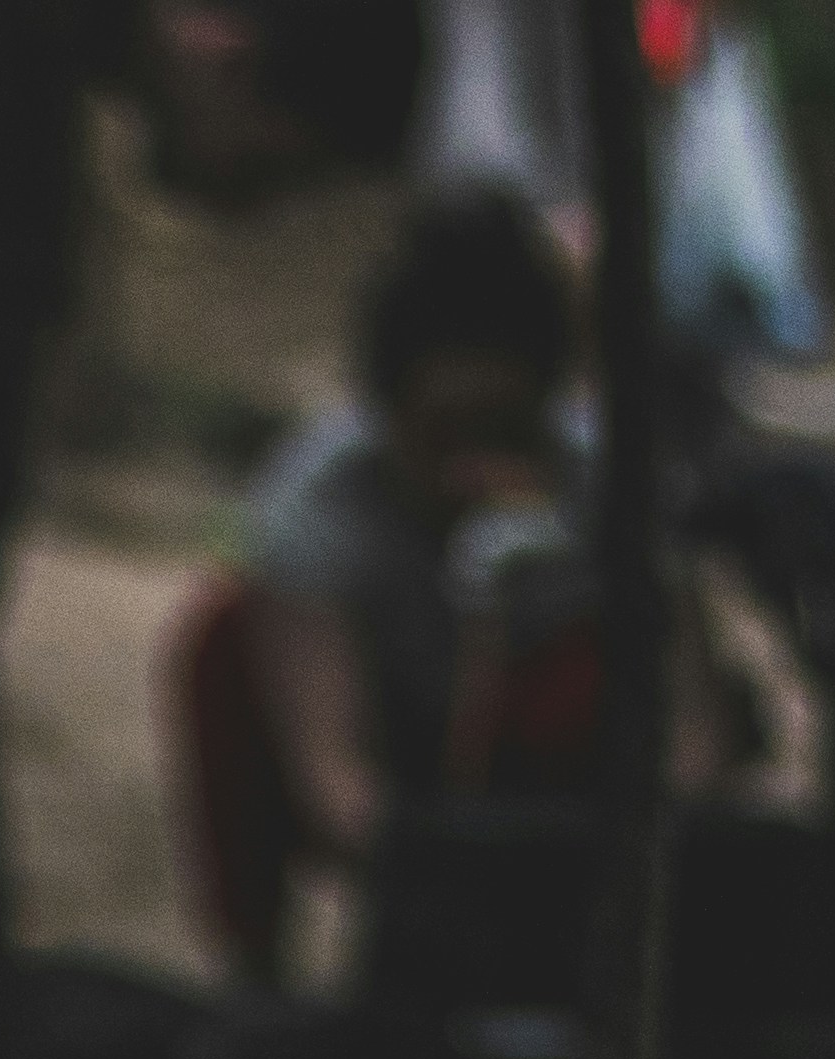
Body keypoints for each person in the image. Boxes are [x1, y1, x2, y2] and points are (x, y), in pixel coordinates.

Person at [170, 189, 624, 988]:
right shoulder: (314, 510)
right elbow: (334, 789)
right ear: (389, 412)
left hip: (550, 790)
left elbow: (693, 753)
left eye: (505, 432)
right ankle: (255, 973)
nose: (471, 471)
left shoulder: (602, 498)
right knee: (221, 641)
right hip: (385, 739)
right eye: (444, 435)